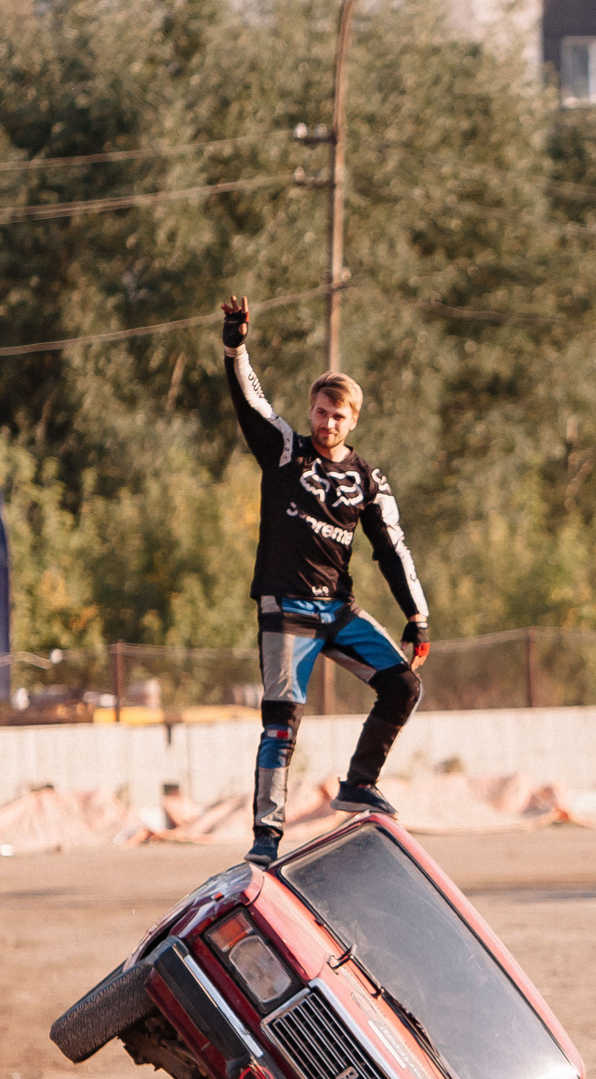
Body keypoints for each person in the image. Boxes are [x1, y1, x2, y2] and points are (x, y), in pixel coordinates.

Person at [220, 294, 430, 866]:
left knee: (404, 685)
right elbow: (252, 402)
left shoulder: (368, 480)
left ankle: (358, 783)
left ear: (353, 420)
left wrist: (418, 617)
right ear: (311, 411)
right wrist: (236, 345)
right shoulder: (286, 453)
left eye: (338, 416)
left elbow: (394, 548)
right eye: (320, 412)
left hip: (337, 611)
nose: (327, 422)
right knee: (282, 725)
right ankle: (266, 838)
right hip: (284, 611)